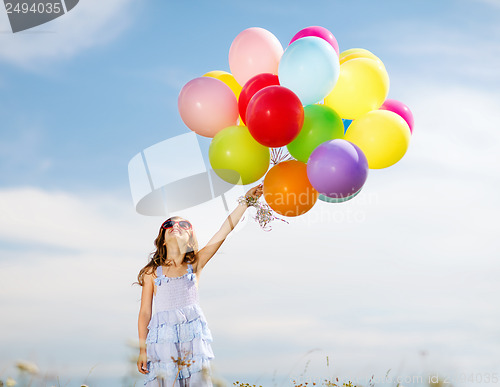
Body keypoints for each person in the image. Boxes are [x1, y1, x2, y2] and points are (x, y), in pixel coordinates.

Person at [136, 184, 263, 386]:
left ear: (190, 240)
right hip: (163, 344)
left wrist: (246, 202)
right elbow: (144, 313)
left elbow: (224, 230)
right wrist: (143, 349)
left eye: (184, 225)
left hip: (192, 341)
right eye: (169, 224)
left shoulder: (195, 264)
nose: (175, 226)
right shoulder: (152, 272)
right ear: (162, 239)